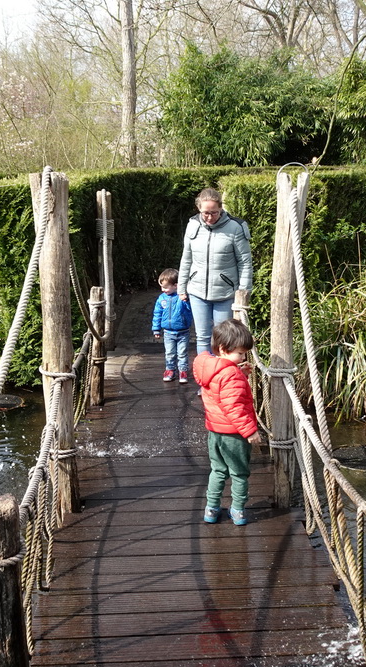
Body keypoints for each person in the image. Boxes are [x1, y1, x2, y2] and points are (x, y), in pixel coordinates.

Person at [193, 318, 262, 526]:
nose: (243, 357)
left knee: (218, 470)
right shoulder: (231, 374)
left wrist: (240, 374)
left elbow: (219, 390)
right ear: (223, 349)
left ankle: (212, 509)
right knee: (240, 473)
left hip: (215, 432)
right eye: (240, 353)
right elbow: (234, 408)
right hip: (234, 435)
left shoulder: (211, 368)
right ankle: (238, 510)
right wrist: (250, 431)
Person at [177, 188, 253, 356]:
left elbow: (245, 262)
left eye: (214, 212)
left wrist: (243, 292)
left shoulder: (236, 227)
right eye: (206, 213)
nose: (210, 217)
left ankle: (221, 379)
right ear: (199, 209)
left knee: (224, 338)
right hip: (197, 291)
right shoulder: (193, 225)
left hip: (225, 294)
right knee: (202, 337)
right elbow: (186, 259)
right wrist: (181, 288)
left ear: (221, 209)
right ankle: (204, 379)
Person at [151, 267, 193, 383]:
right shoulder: (161, 299)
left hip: (183, 331)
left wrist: (186, 300)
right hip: (168, 332)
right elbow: (157, 314)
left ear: (175, 285)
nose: (163, 290)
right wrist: (156, 329)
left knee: (182, 353)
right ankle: (170, 370)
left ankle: (183, 371)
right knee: (169, 353)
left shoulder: (182, 297)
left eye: (165, 287)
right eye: (161, 287)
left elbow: (190, 310)